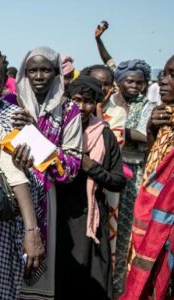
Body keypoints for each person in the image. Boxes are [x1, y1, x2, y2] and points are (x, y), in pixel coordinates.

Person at [11, 46, 83, 299]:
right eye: (33, 70)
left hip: (44, 196)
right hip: (10, 193)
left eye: (46, 70)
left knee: (36, 267)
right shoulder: (11, 103)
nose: (39, 76)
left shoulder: (69, 110)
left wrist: (36, 136)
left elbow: (71, 167)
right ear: (25, 73)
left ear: (56, 74)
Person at [0, 49, 44, 299]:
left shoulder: (16, 117)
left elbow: (35, 168)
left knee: (3, 279)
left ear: (4, 83)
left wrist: (28, 158)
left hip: (6, 210)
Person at [55, 76, 126, 299]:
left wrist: (90, 166)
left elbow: (118, 181)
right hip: (59, 215)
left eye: (88, 101)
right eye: (76, 99)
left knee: (90, 281)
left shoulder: (104, 135)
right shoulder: (57, 130)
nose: (82, 107)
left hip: (89, 218)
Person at [122, 55, 174, 299]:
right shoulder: (163, 114)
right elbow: (155, 161)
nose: (163, 81)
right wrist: (153, 130)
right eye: (164, 74)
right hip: (153, 213)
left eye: (172, 75)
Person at [111, 59, 156, 295]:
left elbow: (145, 136)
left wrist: (118, 131)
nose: (135, 86)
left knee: (127, 231)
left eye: (140, 82)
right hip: (110, 170)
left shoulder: (148, 106)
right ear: (119, 82)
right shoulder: (109, 104)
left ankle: (123, 286)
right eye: (130, 81)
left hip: (135, 173)